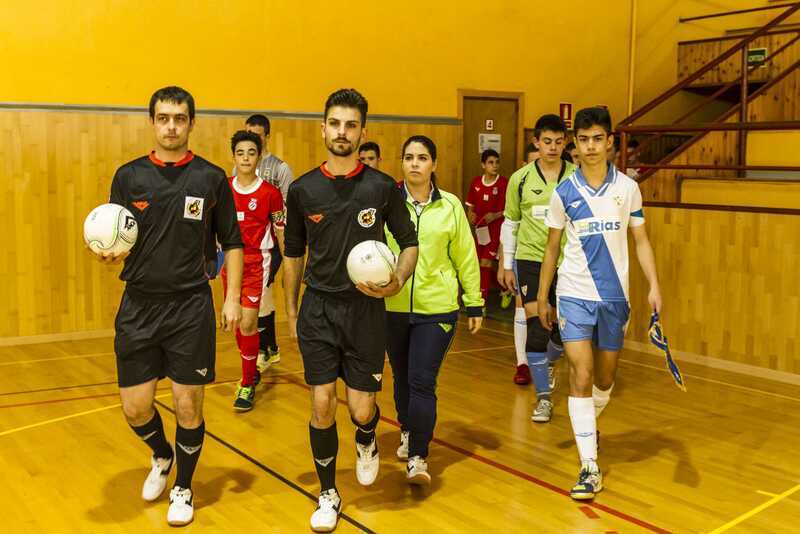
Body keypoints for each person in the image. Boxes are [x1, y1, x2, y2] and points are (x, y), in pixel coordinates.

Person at [93, 86, 243, 526]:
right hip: (139, 306)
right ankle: (162, 454)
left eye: (180, 118)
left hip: (190, 307)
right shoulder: (128, 177)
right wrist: (109, 252)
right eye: (163, 118)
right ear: (152, 122)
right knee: (136, 407)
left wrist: (232, 297)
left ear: (192, 123)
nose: (171, 126)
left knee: (188, 404)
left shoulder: (211, 178)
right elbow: (117, 232)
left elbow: (233, 242)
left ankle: (184, 487)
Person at [283, 88, 418, 532]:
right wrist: (291, 310)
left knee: (361, 409)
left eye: (351, 125)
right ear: (323, 128)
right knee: (322, 403)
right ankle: (327, 493)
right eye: (335, 124)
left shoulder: (381, 188)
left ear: (363, 131)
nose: (342, 132)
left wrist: (398, 280)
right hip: (318, 309)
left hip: (365, 312)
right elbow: (293, 253)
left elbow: (409, 243)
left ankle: (366, 436)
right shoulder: (302, 190)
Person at [537, 106, 662, 501]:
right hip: (573, 293)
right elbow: (552, 248)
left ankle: (588, 425)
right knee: (582, 373)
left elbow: (641, 241)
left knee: (604, 380)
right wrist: (542, 295)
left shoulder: (627, 189)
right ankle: (589, 466)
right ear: (575, 145)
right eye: (583, 139)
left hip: (614, 298)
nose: (590, 146)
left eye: (597, 139)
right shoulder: (564, 193)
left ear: (610, 142)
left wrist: (654, 285)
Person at [385, 135, 483, 485]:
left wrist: (474, 300)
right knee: (401, 377)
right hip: (392, 306)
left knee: (422, 380)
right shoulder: (387, 202)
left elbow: (465, 254)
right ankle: (407, 429)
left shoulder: (451, 206)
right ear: (402, 162)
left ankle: (418, 456)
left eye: (422, 157)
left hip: (437, 308)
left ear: (434, 164)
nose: (415, 163)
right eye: (409, 157)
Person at [499, 114, 576, 421]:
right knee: (536, 327)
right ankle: (543, 398)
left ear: (565, 143)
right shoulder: (520, 179)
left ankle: (550, 362)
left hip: (568, 261)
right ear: (536, 142)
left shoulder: (576, 177)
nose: (553, 147)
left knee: (560, 330)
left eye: (558, 142)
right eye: (547, 142)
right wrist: (507, 264)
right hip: (530, 259)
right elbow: (511, 222)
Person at [222, 130, 285, 411]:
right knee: (237, 321)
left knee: (248, 322)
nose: (246, 158)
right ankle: (250, 368)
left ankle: (247, 384)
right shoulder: (224, 188)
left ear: (259, 157)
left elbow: (281, 231)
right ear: (233, 157)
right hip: (229, 263)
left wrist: (290, 263)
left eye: (251, 153)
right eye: (240, 153)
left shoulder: (270, 193)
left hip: (258, 264)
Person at [234, 113, 294, 373]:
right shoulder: (237, 170)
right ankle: (270, 347)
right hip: (243, 247)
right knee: (262, 298)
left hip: (269, 245)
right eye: (248, 134)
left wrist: (288, 251)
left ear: (266, 137)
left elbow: (288, 208)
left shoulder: (280, 168)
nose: (252, 140)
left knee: (259, 296)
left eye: (257, 136)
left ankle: (262, 350)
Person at [465, 148, 509, 304]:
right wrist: (470, 214)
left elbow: (510, 209)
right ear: (483, 165)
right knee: (480, 264)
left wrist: (495, 215)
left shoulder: (504, 183)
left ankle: (481, 301)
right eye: (491, 162)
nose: (495, 165)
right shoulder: (476, 182)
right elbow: (470, 206)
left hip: (497, 229)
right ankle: (505, 288)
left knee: (486, 262)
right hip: (481, 230)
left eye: (497, 162)